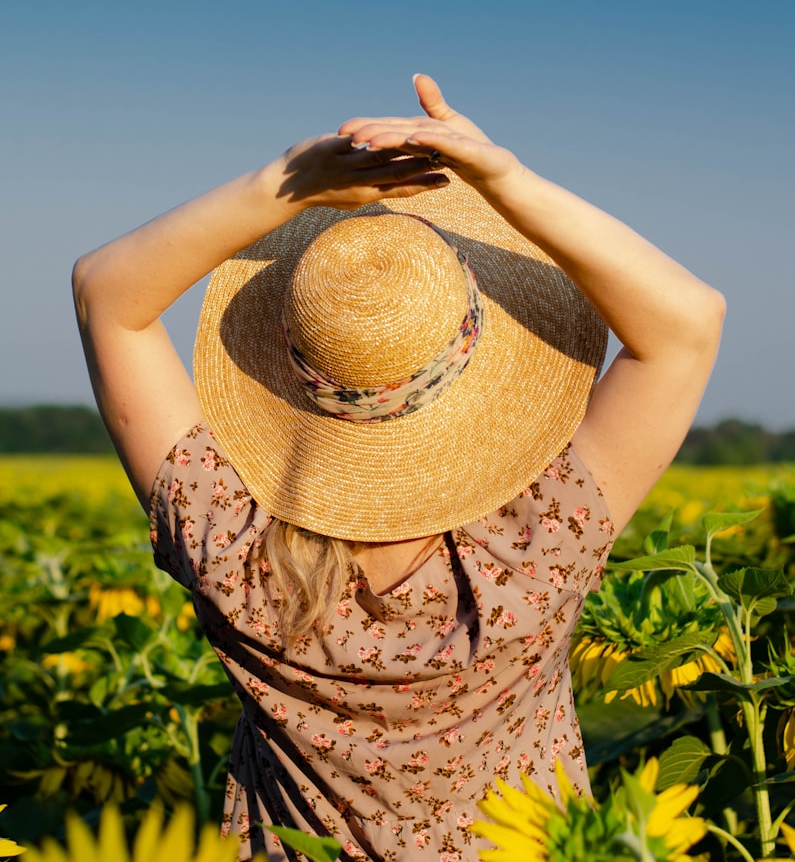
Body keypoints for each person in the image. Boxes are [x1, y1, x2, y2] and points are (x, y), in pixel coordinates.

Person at [72, 75, 725, 861]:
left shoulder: (232, 546)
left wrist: (285, 182)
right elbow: (687, 324)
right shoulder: (538, 539)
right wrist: (503, 180)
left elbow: (105, 295)